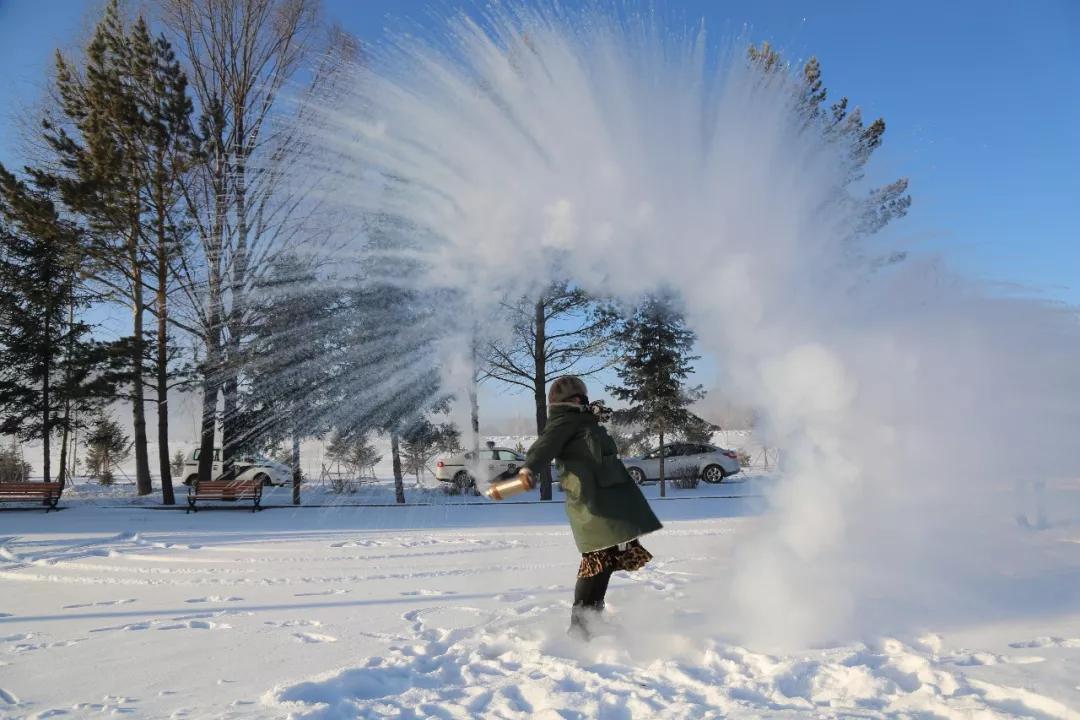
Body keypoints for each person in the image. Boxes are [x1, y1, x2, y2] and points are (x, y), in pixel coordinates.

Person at [518, 375, 663, 640]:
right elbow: (544, 446)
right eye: (578, 398)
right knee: (595, 561)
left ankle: (593, 620)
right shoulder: (565, 422)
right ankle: (580, 628)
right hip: (590, 503)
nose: (582, 401)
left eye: (583, 398)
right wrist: (529, 468)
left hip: (606, 499)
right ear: (569, 401)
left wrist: (593, 415)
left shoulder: (584, 420)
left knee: (606, 560)